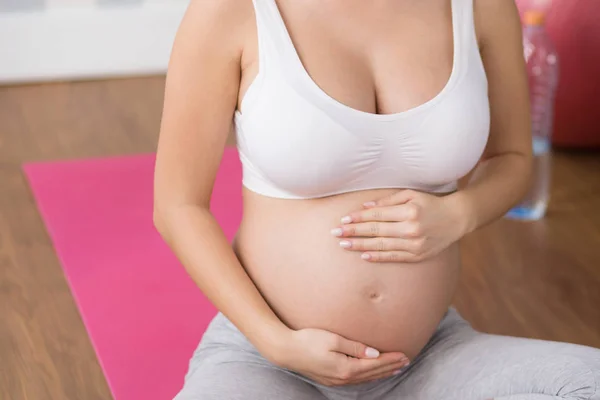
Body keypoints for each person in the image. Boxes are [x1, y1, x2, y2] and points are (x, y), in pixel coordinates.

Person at [153, 0, 600, 398]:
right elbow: (178, 206)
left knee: (587, 382)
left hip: (427, 359)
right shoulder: (230, 10)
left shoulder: (481, 7)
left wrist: (459, 212)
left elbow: (513, 157)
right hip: (268, 361)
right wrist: (276, 342)